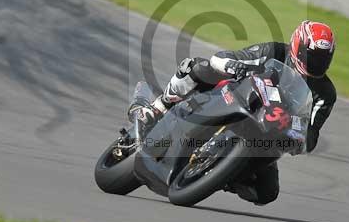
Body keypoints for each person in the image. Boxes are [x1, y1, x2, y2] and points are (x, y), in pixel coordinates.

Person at [131, 21, 337, 205]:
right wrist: (234, 65)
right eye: (311, 56)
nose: (315, 63)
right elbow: (224, 58)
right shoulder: (275, 51)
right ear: (297, 46)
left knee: (267, 192)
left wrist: (292, 127)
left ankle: (220, 176)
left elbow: (311, 137)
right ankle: (158, 107)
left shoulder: (325, 94)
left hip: (269, 135)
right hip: (236, 97)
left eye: (322, 59)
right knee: (201, 68)